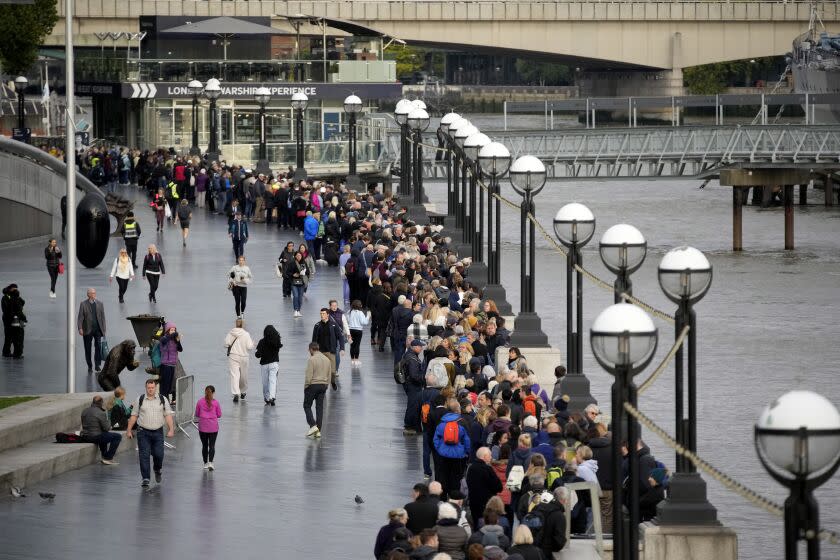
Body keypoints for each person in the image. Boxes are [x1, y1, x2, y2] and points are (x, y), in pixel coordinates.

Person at [126, 379, 175, 488]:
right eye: (149, 388)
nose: (151, 390)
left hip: (158, 432)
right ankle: (145, 478)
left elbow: (168, 415)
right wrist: (129, 430)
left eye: (152, 388)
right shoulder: (140, 399)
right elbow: (134, 415)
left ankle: (157, 469)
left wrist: (171, 429)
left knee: (159, 454)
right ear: (146, 388)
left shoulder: (163, 399)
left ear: (155, 388)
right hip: (143, 432)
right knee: (144, 455)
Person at [433, 398, 471, 496]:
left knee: (443, 476)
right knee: (456, 478)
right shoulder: (462, 422)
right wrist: (467, 452)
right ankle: (454, 499)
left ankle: (443, 497)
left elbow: (436, 439)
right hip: (459, 456)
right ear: (458, 409)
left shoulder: (442, 422)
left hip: (443, 454)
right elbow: (467, 440)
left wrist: (439, 449)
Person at [303, 341, 335, 438]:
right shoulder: (327, 360)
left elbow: (309, 375)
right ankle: (318, 430)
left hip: (313, 385)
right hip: (323, 385)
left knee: (307, 405)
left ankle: (313, 425)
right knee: (319, 408)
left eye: (309, 350)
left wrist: (306, 386)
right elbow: (330, 373)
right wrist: (327, 385)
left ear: (311, 349)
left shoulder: (312, 360)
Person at [466, 447, 504, 526]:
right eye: (490, 455)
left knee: (477, 526)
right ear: (484, 456)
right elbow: (498, 487)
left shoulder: (470, 468)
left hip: (474, 502)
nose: (491, 457)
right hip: (487, 504)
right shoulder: (487, 469)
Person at [80, 395, 122, 465]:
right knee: (117, 436)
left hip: (85, 436)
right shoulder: (100, 413)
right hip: (94, 437)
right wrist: (107, 417)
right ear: (101, 403)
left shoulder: (84, 411)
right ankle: (108, 458)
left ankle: (104, 455)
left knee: (103, 434)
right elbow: (107, 428)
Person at [224, 318, 254, 403]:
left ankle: (236, 393)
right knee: (244, 375)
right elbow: (249, 346)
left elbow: (226, 343)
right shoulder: (246, 334)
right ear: (243, 324)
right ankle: (243, 391)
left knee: (234, 375)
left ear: (236, 324)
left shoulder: (231, 333)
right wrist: (252, 344)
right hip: (244, 356)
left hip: (233, 355)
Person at [77, 287, 106, 373]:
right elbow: (80, 317)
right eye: (92, 293)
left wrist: (103, 329)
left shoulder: (100, 304)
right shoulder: (83, 304)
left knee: (98, 347)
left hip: (97, 330)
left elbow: (103, 318)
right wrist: (80, 328)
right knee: (87, 348)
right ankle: (89, 366)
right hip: (87, 330)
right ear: (88, 294)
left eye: (95, 293)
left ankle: (97, 365)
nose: (94, 294)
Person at [402, 339, 426, 436]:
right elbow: (413, 375)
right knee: (413, 406)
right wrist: (423, 379)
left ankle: (413, 426)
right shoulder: (412, 359)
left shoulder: (409, 355)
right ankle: (409, 426)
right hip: (413, 385)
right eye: (420, 346)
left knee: (414, 405)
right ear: (415, 347)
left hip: (410, 384)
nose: (421, 348)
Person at [194, 385, 222, 470]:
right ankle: (211, 462)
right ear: (213, 393)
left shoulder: (200, 402)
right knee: (212, 446)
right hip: (213, 427)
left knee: (204, 445)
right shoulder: (216, 403)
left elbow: (197, 414)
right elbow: (219, 415)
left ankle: (205, 463)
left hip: (203, 427)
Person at [312, 308, 344, 378]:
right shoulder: (317, 325)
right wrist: (312, 351)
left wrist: (342, 348)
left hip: (331, 351)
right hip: (320, 352)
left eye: (323, 314)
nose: (322, 315)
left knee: (333, 371)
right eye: (321, 314)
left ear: (327, 315)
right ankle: (324, 385)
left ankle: (333, 382)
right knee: (321, 371)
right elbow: (314, 339)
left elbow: (340, 337)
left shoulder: (334, 325)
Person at [255, 324, 282, 406]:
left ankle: (267, 398)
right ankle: (272, 397)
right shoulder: (277, 341)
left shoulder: (262, 342)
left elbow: (258, 355)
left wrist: (257, 352)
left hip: (264, 364)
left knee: (265, 382)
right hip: (274, 363)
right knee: (273, 381)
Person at [157, 322, 182, 404]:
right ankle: (163, 403)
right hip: (165, 365)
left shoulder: (174, 340)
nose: (173, 331)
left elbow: (180, 349)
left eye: (174, 330)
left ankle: (166, 403)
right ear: (167, 330)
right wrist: (173, 335)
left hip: (172, 365)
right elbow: (164, 340)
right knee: (164, 386)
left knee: (169, 386)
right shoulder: (163, 338)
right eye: (171, 330)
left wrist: (178, 341)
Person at [1, 284, 26, 359]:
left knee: (10, 337)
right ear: (10, 289)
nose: (16, 290)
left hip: (11, 319)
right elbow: (13, 309)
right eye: (15, 288)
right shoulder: (7, 297)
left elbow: (22, 303)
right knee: (16, 337)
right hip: (12, 319)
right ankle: (15, 353)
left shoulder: (14, 297)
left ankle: (7, 352)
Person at [346, 299, 371, 366]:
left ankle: (352, 359)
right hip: (358, 330)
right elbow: (364, 322)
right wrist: (368, 316)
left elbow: (347, 320)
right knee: (357, 345)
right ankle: (356, 359)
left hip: (350, 330)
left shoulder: (349, 312)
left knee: (352, 345)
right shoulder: (360, 313)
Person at [289, 251, 308, 318]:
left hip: (302, 283)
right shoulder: (292, 263)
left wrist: (304, 274)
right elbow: (287, 272)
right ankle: (295, 310)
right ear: (295, 256)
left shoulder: (303, 263)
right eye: (297, 256)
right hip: (294, 282)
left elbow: (307, 272)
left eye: (300, 255)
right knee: (295, 296)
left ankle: (299, 310)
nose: (298, 257)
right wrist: (293, 274)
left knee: (300, 297)